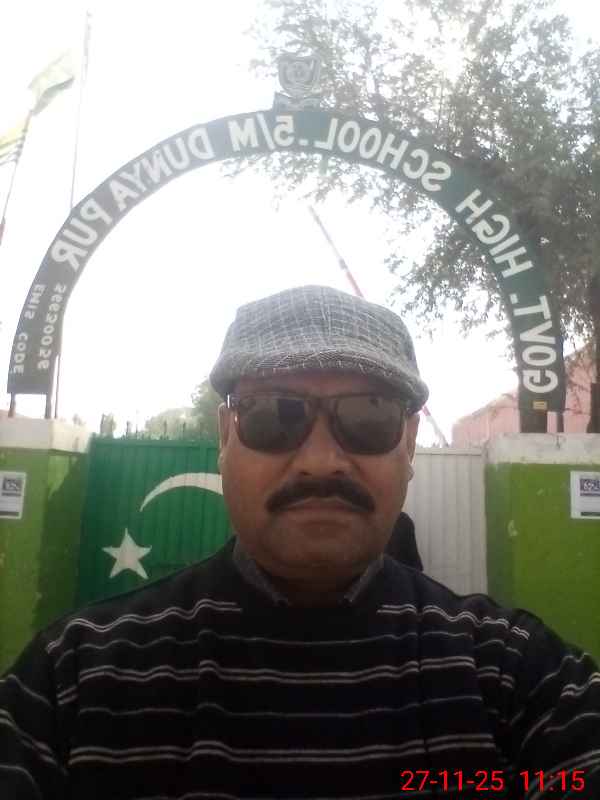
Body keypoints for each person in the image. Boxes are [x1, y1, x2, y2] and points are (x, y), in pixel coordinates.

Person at [1, 284, 599, 799]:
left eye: (368, 416)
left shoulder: (512, 674)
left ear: (410, 444)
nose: (320, 461)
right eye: (273, 415)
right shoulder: (75, 678)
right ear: (225, 437)